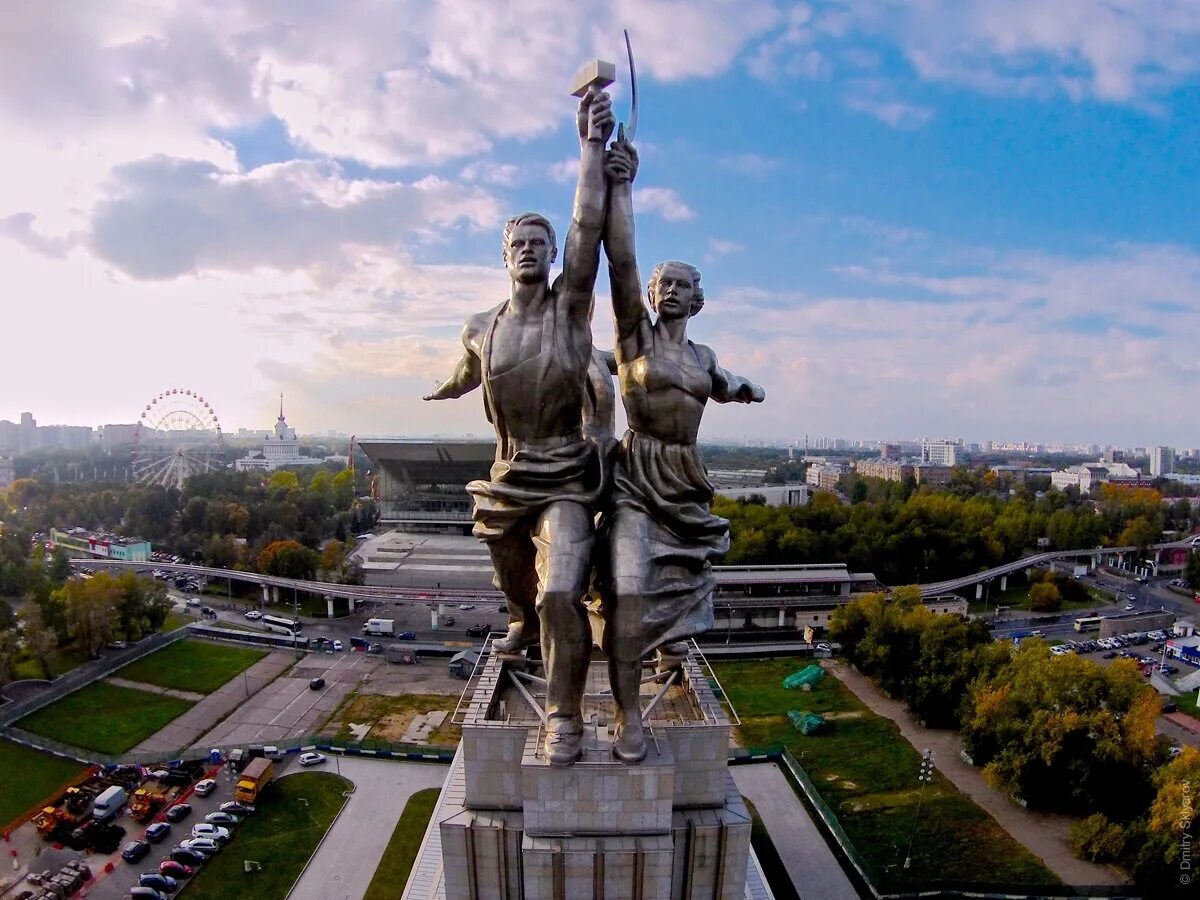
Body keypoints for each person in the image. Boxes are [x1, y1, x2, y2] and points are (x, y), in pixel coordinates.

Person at [423, 90, 615, 766]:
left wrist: (589, 146)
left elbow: (589, 224)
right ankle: (519, 621)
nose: (531, 251)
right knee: (520, 594)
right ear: (504, 255)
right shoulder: (481, 326)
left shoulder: (572, 310)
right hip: (508, 480)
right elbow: (466, 370)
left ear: (553, 255)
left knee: (560, 590)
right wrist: (444, 386)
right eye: (519, 244)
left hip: (564, 475)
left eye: (541, 243)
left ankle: (563, 715)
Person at [599, 135, 765, 763]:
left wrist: (741, 386)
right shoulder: (633, 336)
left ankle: (663, 651)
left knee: (680, 584)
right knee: (629, 587)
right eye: (663, 282)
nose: (668, 289)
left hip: (685, 477)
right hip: (636, 474)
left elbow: (719, 383)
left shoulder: (704, 356)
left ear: (699, 299)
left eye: (682, 284)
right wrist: (623, 187)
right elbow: (621, 260)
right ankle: (628, 714)